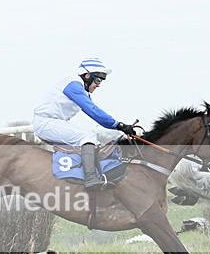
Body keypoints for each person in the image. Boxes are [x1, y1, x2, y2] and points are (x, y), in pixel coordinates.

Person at [32, 58, 136, 190]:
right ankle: (91, 179)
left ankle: (83, 176)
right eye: (97, 80)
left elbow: (95, 113)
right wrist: (119, 125)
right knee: (88, 137)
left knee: (92, 141)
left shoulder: (79, 88)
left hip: (51, 122)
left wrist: (118, 126)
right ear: (87, 76)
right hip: (46, 123)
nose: (98, 85)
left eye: (101, 81)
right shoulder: (74, 85)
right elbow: (93, 111)